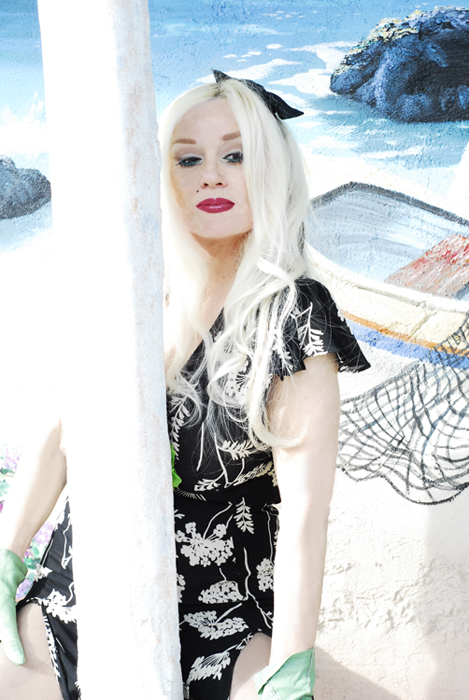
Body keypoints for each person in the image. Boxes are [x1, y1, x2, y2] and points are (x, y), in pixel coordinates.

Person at [0, 71, 370, 700]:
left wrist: (292, 664)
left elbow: (306, 511)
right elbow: (64, 434)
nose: (210, 177)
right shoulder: (142, 288)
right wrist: (8, 559)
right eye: (189, 159)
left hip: (219, 608)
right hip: (85, 581)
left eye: (236, 156)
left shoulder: (292, 314)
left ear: (271, 170)